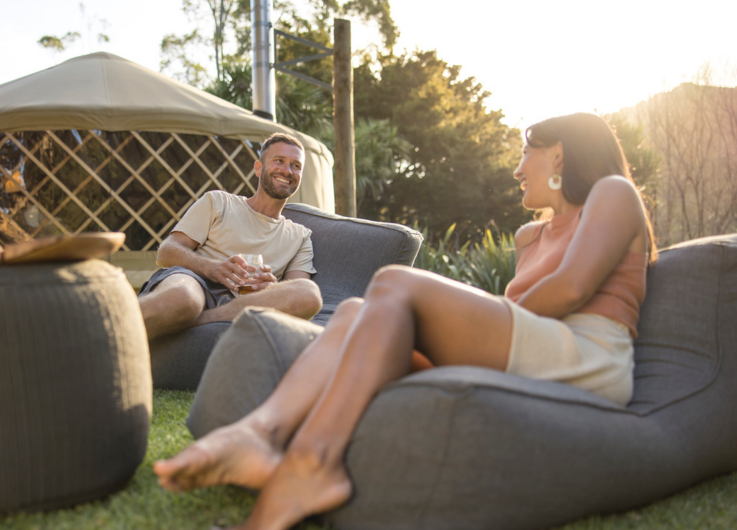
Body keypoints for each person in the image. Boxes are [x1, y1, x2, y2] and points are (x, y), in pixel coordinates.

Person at [152, 113, 658, 530]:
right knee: (353, 312)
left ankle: (309, 463)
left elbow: (570, 290)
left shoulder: (613, 194)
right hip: (534, 347)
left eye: (526, 153)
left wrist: (447, 319)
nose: (517, 170)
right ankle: (262, 437)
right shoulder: (531, 235)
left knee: (394, 283)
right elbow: (519, 319)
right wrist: (439, 326)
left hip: (588, 356)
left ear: (561, 155)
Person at [138, 133, 323, 340]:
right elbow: (167, 252)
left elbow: (296, 289)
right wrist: (212, 268)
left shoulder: (300, 236)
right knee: (184, 298)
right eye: (279, 161)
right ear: (258, 168)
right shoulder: (218, 201)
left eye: (296, 165)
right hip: (194, 281)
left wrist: (270, 288)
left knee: (309, 293)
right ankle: (104, 321)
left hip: (245, 302)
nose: (287, 170)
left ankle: (196, 321)